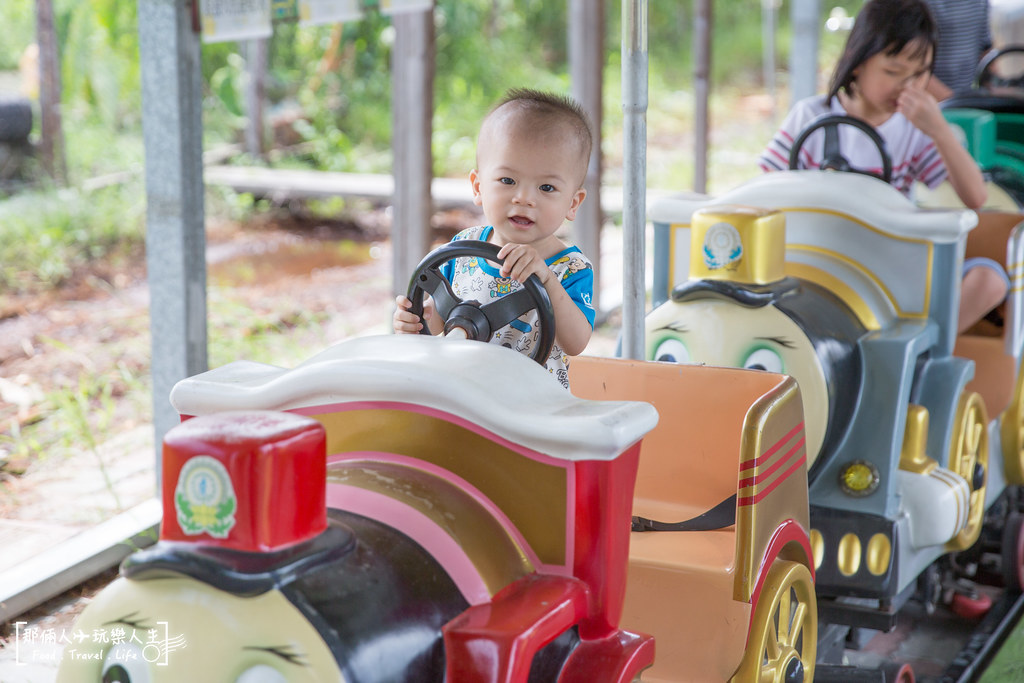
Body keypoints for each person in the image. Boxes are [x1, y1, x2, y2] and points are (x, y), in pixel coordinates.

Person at [758, 0, 1006, 333]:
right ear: (857, 61)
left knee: (990, 280)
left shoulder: (914, 130)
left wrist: (939, 128)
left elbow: (975, 197)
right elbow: (761, 192)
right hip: (821, 264)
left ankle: (921, 350)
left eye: (919, 75)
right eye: (893, 72)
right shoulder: (810, 118)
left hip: (891, 268)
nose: (907, 87)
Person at [393, 88, 596, 388]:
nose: (524, 198)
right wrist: (417, 320)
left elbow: (576, 343)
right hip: (464, 393)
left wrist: (547, 280)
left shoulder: (571, 268)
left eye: (547, 188)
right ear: (477, 186)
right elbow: (443, 321)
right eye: (507, 181)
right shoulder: (462, 249)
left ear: (573, 203)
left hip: (533, 405)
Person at [923, 0, 992, 100]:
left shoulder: (981, 2)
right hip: (934, 100)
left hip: (967, 98)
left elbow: (985, 47)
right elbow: (913, 66)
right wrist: (954, 103)